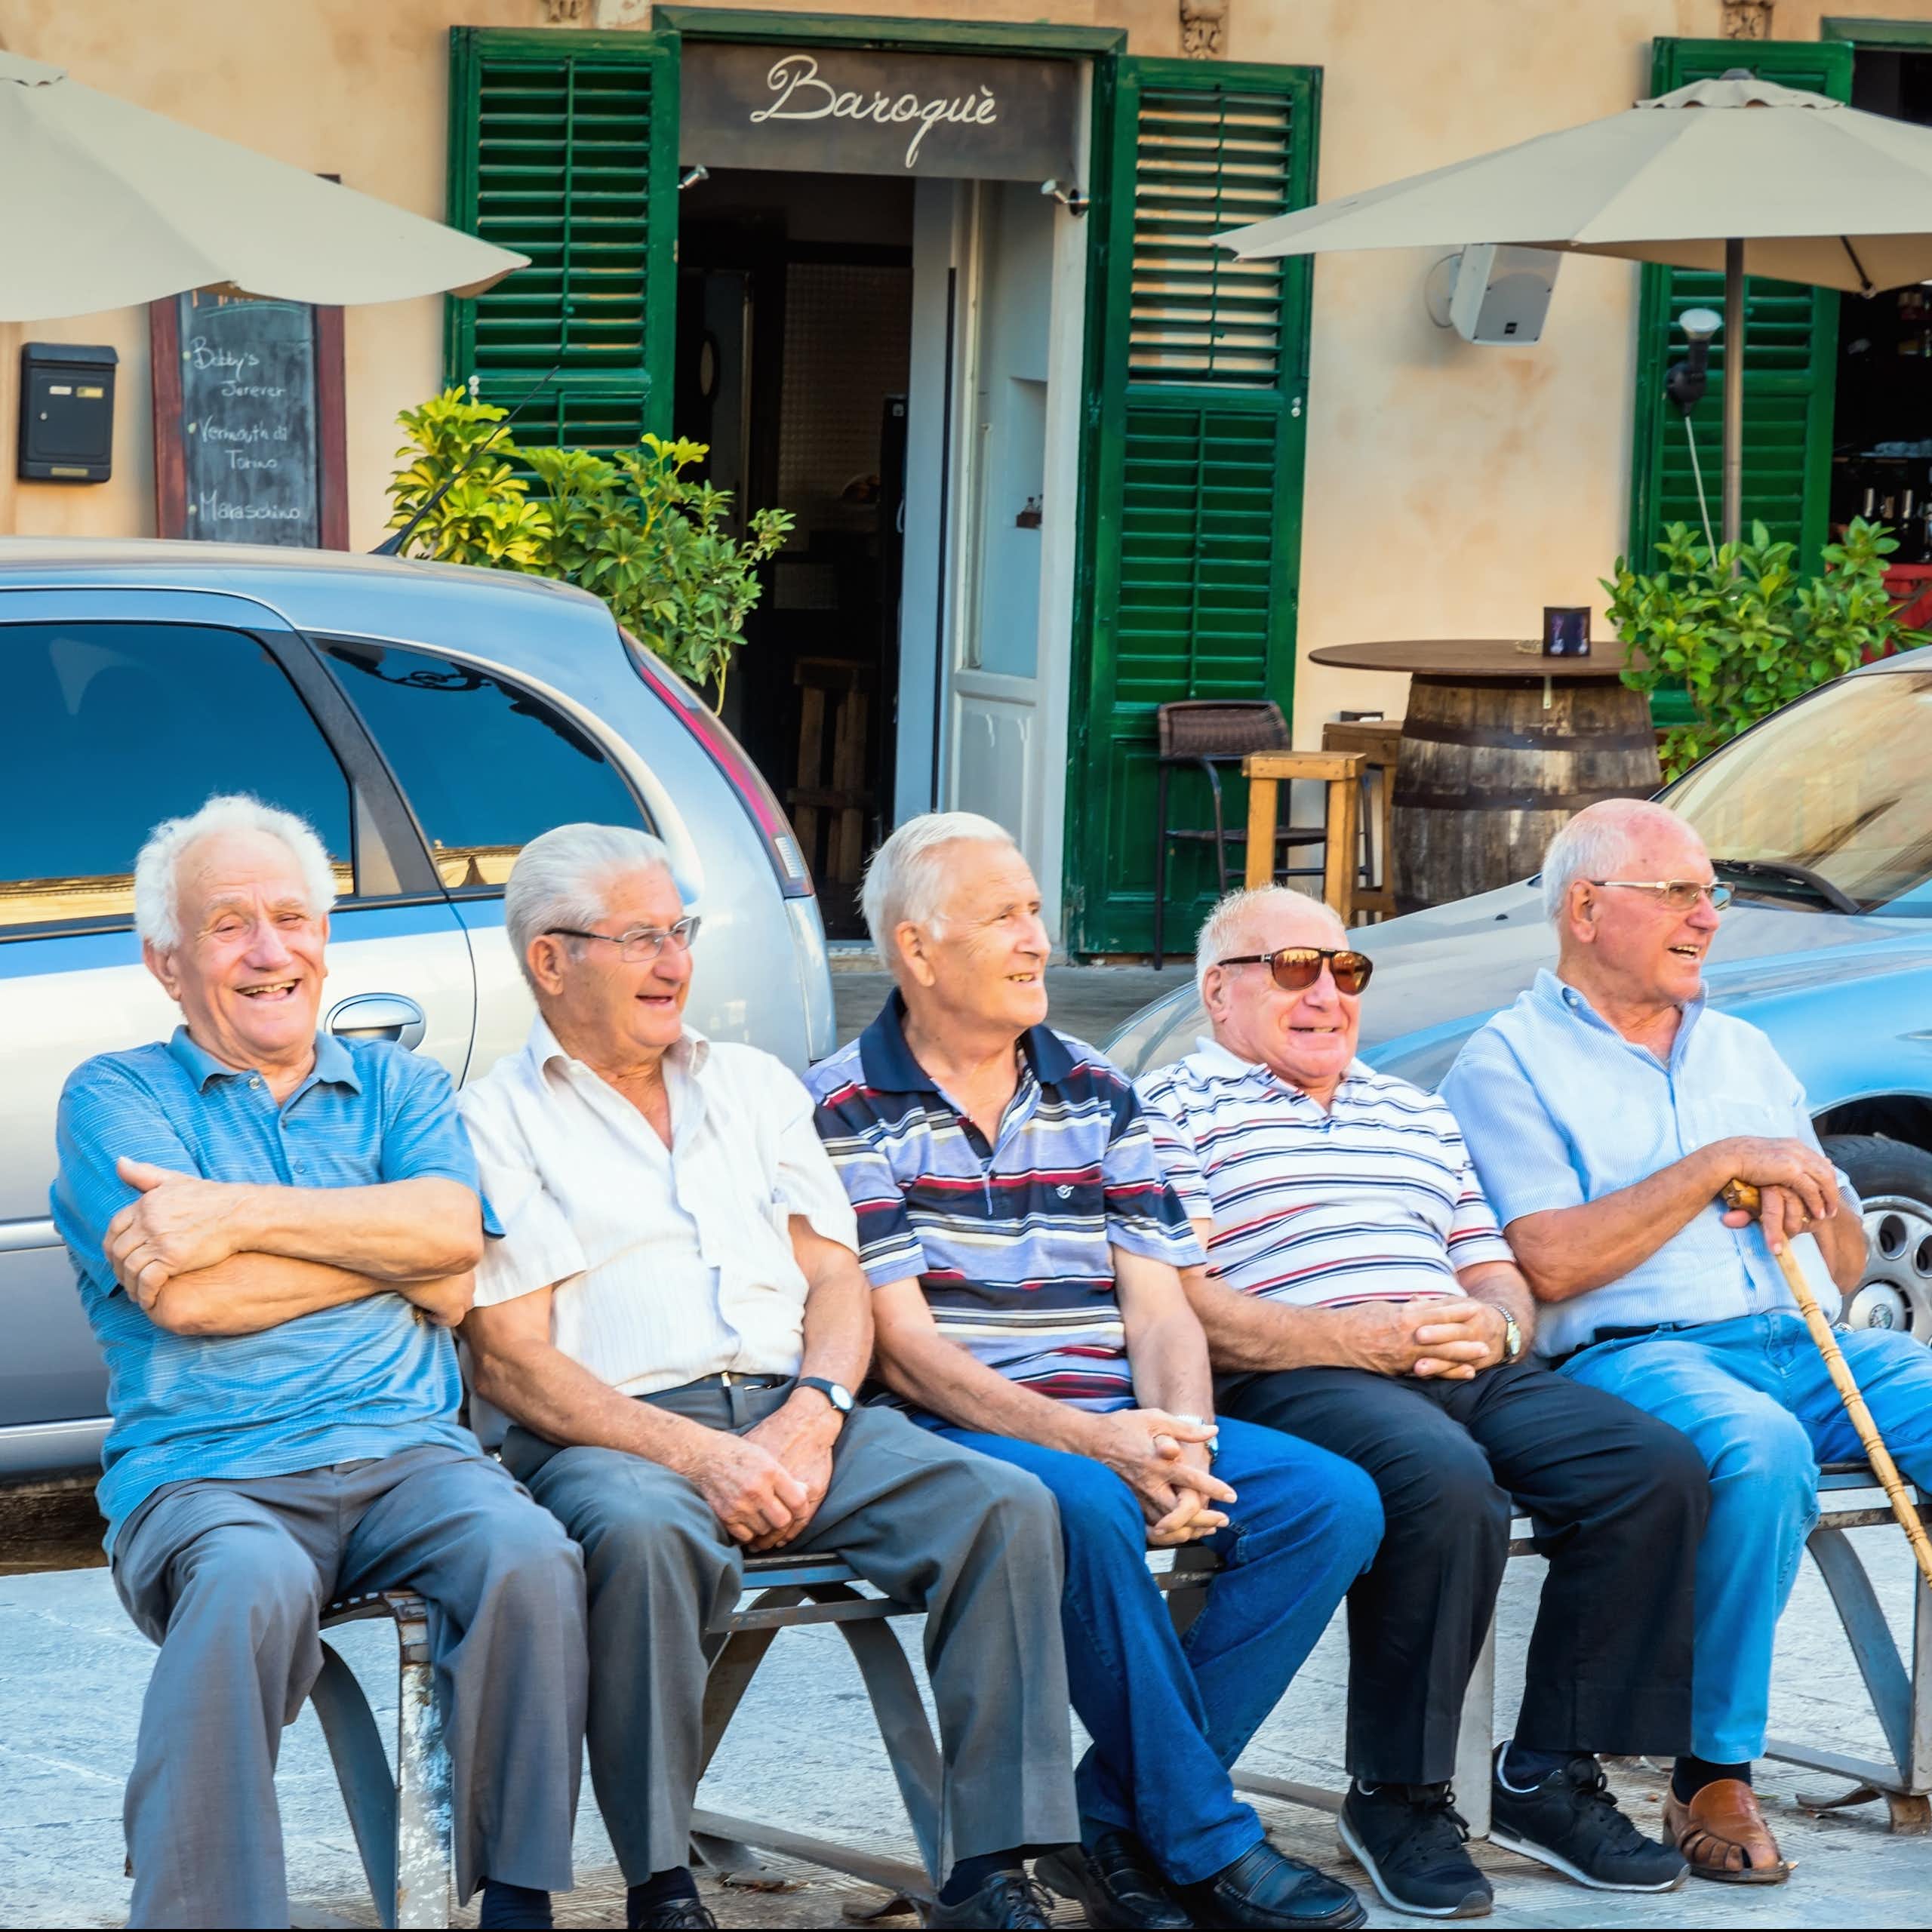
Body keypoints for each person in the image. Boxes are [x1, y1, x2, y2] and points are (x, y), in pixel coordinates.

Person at [457, 823, 1078, 1932]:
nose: (674, 962)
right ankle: (660, 1881)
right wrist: (703, 1455)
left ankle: (993, 1867)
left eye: (680, 932)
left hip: (797, 1412)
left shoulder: (750, 1085)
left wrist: (816, 1411)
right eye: (640, 937)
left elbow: (836, 1282)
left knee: (1004, 1507)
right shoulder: (495, 1120)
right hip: (617, 1435)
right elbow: (513, 1360)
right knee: (647, 1539)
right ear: (551, 960)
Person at [805, 812, 1384, 1932]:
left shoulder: (1095, 1085)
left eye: (1035, 910)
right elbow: (908, 1350)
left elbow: (1158, 1303)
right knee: (1081, 1507)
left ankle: (1113, 1817)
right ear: (919, 951)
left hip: (1116, 1411)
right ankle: (1206, 1839)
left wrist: (1182, 1441)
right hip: (959, 1429)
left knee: (1330, 1502)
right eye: (1006, 917)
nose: (1039, 940)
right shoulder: (840, 1104)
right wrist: (1101, 1446)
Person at [51, 794, 586, 1932]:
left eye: (291, 917)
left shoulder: (404, 1088)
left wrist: (236, 1210)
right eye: (229, 924)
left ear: (325, 938)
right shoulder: (116, 1096)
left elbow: (453, 1248)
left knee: (529, 1553)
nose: (268, 951)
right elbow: (193, 1299)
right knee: (251, 1582)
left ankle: (519, 1905)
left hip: (413, 1463)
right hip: (212, 1477)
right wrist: (388, 1252)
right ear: (166, 960)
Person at [1134, 884, 1705, 1918]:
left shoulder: (1411, 1107)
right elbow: (1184, 1300)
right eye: (1294, 969)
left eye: (1345, 972)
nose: (1327, 995)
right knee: (1446, 1487)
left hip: (1456, 1360)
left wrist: (1493, 1325)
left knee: (1652, 1470)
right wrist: (1348, 1337)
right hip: (1296, 1370)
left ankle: (1546, 1773)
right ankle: (1399, 1795)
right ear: (1220, 994)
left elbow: (1490, 1267)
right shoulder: (1175, 1109)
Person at [1441, 795, 1932, 1885]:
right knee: (1757, 1453)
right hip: (1631, 1354)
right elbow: (1552, 1265)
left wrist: (1816, 1202)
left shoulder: (1745, 1050)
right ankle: (1713, 1768)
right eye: (1679, 894)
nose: (1708, 916)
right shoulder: (1506, 1062)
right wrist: (1708, 1170)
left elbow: (1844, 1270)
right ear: (1585, 908)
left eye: (1711, 895)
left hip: (1797, 1339)